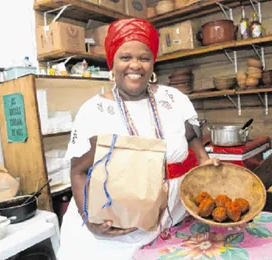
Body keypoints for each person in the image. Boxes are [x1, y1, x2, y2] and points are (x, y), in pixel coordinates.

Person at [57, 18, 219, 260]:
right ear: (112, 62)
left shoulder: (174, 99)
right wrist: (88, 219)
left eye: (144, 58)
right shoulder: (94, 112)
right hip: (113, 236)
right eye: (125, 57)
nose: (135, 65)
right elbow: (78, 172)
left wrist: (204, 159)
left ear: (153, 62)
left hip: (169, 223)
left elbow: (190, 136)